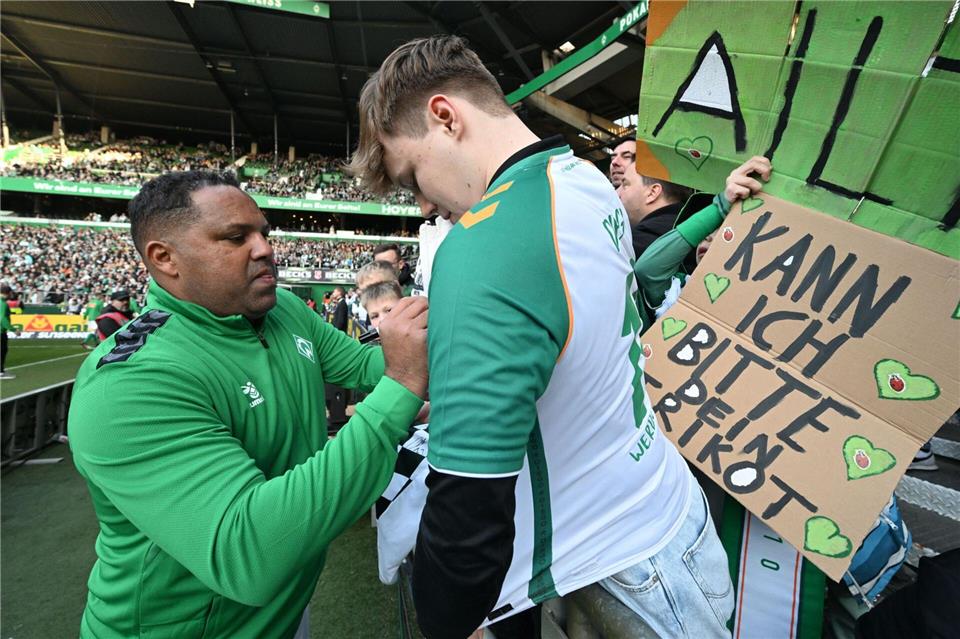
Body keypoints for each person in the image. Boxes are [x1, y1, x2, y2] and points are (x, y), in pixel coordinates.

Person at [350, 35, 732, 639]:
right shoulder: (581, 178)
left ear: (445, 117)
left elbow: (468, 506)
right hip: (666, 515)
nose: (424, 204)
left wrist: (446, 618)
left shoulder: (484, 241)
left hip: (609, 571)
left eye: (413, 175)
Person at [67, 170, 429, 638]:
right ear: (165, 259)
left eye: (263, 232)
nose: (264, 249)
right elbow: (250, 555)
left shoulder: (281, 310)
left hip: (283, 610)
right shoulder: (128, 382)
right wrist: (400, 390)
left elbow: (368, 365)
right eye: (236, 237)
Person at [618, 163, 696, 270]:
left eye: (625, 185)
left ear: (652, 192)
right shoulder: (694, 230)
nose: (617, 192)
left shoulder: (637, 243)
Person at [1, 284, 17, 380]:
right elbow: (2, 318)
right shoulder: (3, 304)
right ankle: (0, 372)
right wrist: (13, 329)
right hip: (0, 332)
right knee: (2, 351)